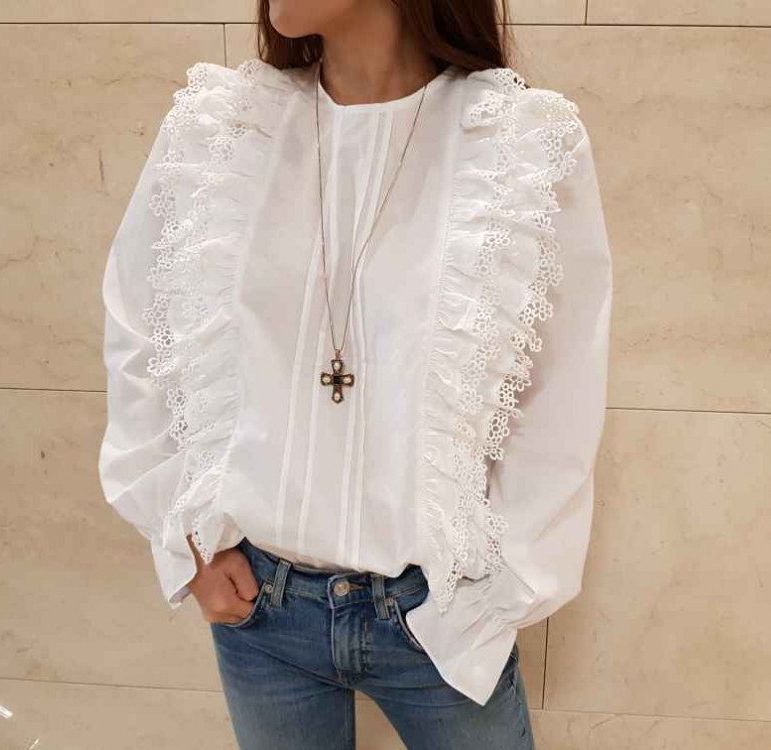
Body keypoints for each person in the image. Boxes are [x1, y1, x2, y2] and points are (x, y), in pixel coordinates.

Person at [97, 0, 612, 747]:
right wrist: (190, 540)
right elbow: (140, 332)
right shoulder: (225, 129)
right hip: (260, 612)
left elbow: (560, 392)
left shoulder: (513, 143)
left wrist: (496, 597)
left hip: (437, 621)